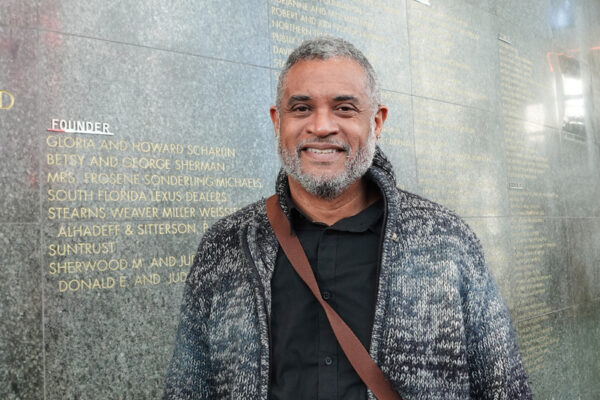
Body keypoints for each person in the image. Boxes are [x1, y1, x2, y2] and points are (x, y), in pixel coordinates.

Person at [163, 36, 532, 399]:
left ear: (377, 122)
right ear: (277, 121)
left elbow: (505, 387)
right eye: (301, 108)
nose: (322, 126)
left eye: (344, 108)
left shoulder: (448, 241)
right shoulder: (225, 245)